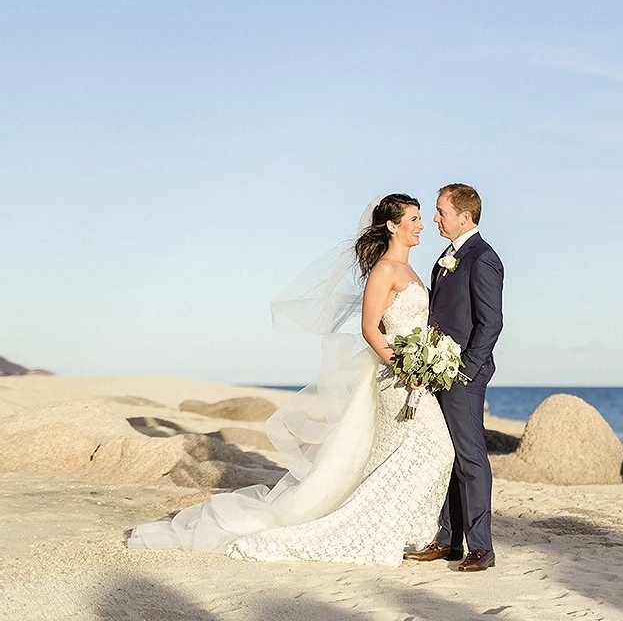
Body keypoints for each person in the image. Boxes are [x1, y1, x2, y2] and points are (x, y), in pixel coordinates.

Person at [126, 194, 456, 565]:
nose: (421, 225)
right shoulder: (384, 270)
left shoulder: (412, 271)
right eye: (413, 218)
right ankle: (376, 525)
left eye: (420, 218)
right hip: (396, 377)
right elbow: (369, 328)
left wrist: (428, 359)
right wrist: (403, 366)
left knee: (413, 453)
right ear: (393, 225)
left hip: (414, 375)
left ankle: (405, 529)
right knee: (435, 449)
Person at [404, 183, 503, 573]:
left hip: (463, 376)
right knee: (447, 456)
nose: (435, 218)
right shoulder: (444, 258)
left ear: (464, 216)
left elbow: (491, 322)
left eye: (441, 211)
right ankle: (448, 541)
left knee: (470, 457)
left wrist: (465, 370)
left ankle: (482, 547)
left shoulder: (483, 258)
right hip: (437, 373)